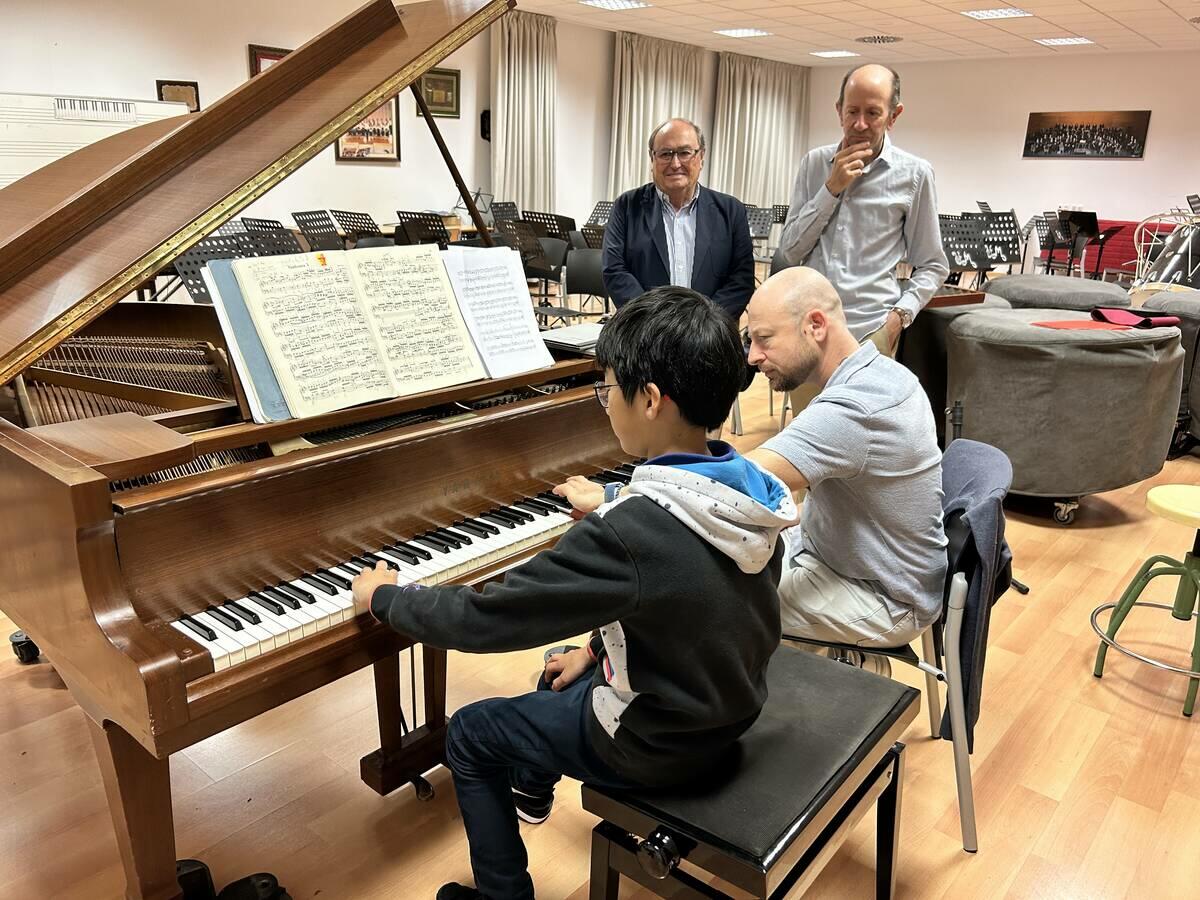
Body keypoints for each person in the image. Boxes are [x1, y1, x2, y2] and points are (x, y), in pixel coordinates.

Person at [352, 286, 797, 900]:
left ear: (649, 400)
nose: (603, 404)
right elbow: (693, 602)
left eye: (606, 390)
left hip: (658, 743)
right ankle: (533, 787)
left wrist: (386, 599)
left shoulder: (631, 533)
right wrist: (594, 649)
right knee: (559, 670)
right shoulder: (749, 489)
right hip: (728, 706)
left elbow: (489, 618)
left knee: (471, 733)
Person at [743, 267, 947, 650]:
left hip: (883, 598)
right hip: (849, 560)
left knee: (716, 604)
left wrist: (612, 495)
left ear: (815, 325)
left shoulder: (857, 408)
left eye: (764, 339)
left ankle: (850, 677)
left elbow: (738, 480)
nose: (753, 356)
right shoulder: (883, 374)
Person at [775, 63, 948, 372]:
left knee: (866, 422)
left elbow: (933, 265)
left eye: (873, 113)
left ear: (894, 116)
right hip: (809, 333)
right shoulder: (814, 163)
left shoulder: (915, 175)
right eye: (852, 111)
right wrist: (831, 188)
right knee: (810, 422)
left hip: (871, 335)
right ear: (839, 110)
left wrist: (897, 320)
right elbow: (788, 252)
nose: (859, 124)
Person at [602, 118, 756, 320]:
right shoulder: (626, 206)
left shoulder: (731, 210)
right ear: (652, 158)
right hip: (646, 335)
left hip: (711, 339)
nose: (675, 164)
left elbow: (741, 278)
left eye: (684, 153)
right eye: (665, 154)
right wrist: (657, 322)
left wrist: (702, 324)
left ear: (701, 156)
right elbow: (615, 270)